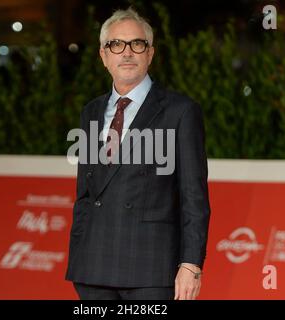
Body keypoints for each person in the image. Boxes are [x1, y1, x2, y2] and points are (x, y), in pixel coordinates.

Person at [65, 7, 211, 300]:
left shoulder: (180, 111)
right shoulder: (90, 112)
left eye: (137, 44)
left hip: (152, 269)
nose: (127, 53)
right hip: (93, 269)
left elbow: (194, 197)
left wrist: (191, 264)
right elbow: (85, 193)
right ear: (104, 56)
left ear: (151, 53)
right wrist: (79, 252)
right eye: (116, 45)